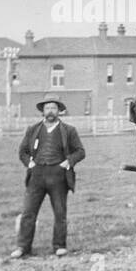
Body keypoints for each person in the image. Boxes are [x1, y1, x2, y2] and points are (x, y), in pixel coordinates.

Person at [11, 94, 87, 258]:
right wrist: (29, 163)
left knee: (60, 213)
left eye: (53, 108)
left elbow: (80, 152)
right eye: (47, 108)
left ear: (59, 111)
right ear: (43, 111)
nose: (50, 111)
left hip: (58, 176)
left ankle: (59, 246)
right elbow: (22, 152)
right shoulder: (33, 130)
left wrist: (67, 162)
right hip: (36, 175)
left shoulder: (68, 131)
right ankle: (23, 247)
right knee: (28, 212)